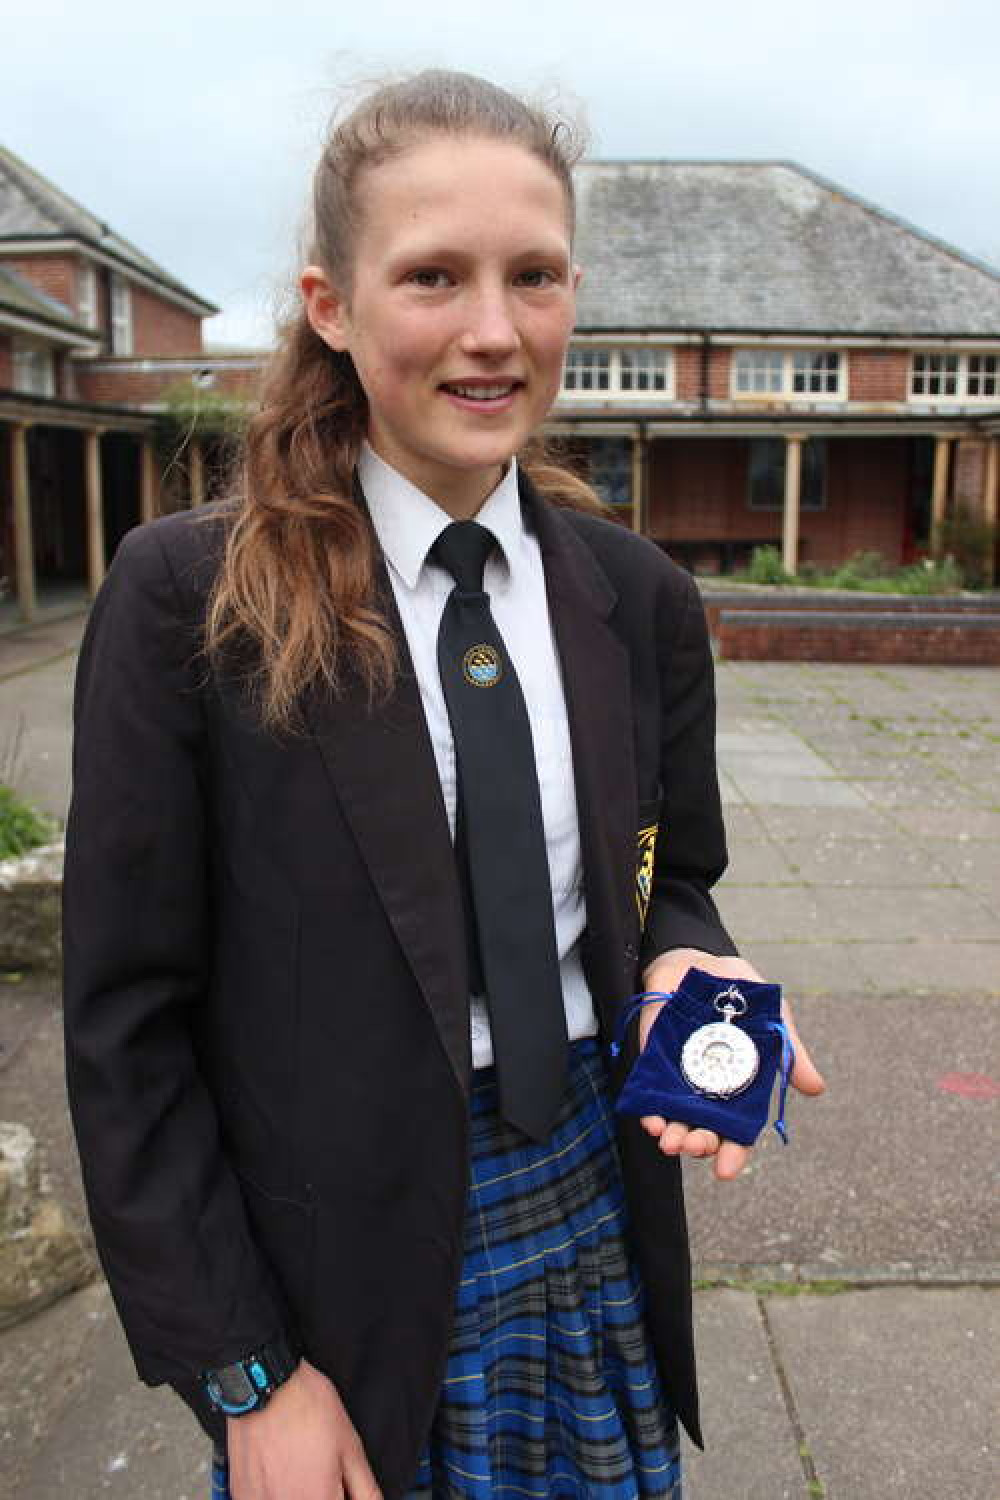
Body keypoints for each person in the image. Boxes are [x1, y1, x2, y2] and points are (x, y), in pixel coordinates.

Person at [62, 70, 824, 1500]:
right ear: (332, 307)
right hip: (335, 1286)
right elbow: (126, 1031)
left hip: (593, 1216)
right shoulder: (191, 600)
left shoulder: (637, 596)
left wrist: (685, 969)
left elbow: (682, 882)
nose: (492, 330)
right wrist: (250, 1379)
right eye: (433, 277)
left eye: (532, 276)